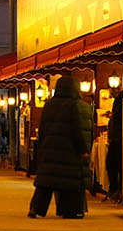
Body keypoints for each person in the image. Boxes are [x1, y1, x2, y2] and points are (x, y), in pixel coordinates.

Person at [27, 83, 88, 218]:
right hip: (68, 150)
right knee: (67, 182)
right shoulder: (72, 105)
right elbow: (76, 129)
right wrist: (83, 148)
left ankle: (36, 208)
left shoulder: (49, 105)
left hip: (50, 148)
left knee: (45, 183)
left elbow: (42, 128)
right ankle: (68, 210)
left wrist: (42, 145)